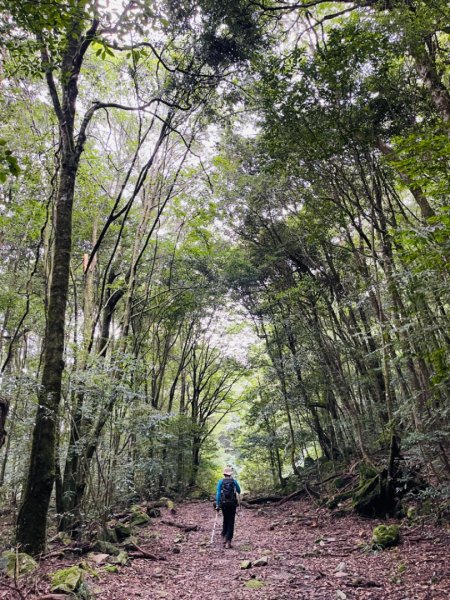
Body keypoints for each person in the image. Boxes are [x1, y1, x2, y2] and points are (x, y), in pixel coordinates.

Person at [215, 466, 241, 549]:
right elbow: (239, 491)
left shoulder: (220, 482)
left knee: (225, 519)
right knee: (231, 521)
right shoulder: (234, 481)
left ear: (224, 474)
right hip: (232, 504)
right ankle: (228, 541)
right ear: (230, 474)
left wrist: (218, 504)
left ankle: (224, 536)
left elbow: (218, 494)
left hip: (224, 504)